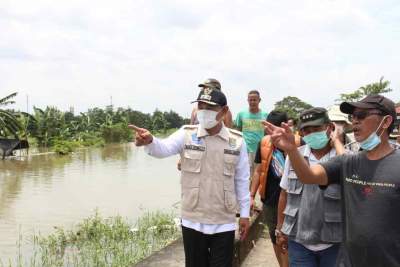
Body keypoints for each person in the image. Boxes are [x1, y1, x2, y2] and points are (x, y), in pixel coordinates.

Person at [263, 94, 400, 267]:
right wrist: (291, 149)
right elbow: (308, 176)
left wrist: (335, 141)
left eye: (362, 116)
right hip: (347, 259)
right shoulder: (349, 162)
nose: (355, 121)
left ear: (386, 122)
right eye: (353, 117)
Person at [133, 88, 250, 267]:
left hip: (224, 221)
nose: (204, 111)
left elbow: (242, 180)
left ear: (224, 111)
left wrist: (245, 215)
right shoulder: (186, 134)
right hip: (193, 219)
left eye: (210, 107)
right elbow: (163, 148)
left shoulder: (237, 141)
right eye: (201, 106)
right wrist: (150, 141)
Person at [277, 108, 345, 267]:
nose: (311, 133)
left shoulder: (344, 157)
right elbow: (284, 194)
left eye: (316, 129)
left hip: (334, 243)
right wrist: (280, 229)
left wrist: (337, 142)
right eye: (306, 130)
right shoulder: (294, 156)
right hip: (299, 242)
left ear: (329, 127)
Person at [250, 110, 289, 267]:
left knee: (290, 239)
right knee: (275, 237)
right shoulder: (264, 143)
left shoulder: (298, 143)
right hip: (270, 200)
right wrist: (252, 196)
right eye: (268, 128)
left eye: (274, 128)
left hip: (292, 201)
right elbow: (258, 170)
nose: (271, 132)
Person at [235, 90, 268, 177]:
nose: (252, 102)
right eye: (250, 100)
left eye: (254, 100)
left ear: (259, 100)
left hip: (260, 150)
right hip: (245, 150)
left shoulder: (265, 115)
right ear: (248, 100)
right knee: (245, 175)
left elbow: (267, 134)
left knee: (259, 175)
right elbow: (238, 132)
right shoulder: (241, 114)